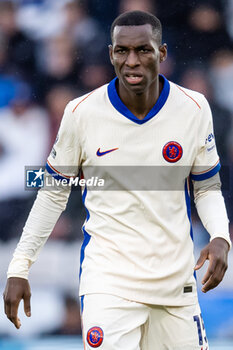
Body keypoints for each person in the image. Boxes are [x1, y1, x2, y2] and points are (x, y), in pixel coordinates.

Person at [3, 11, 231, 350]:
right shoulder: (81, 113)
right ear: (111, 54)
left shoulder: (193, 108)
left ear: (162, 53)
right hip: (107, 282)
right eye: (122, 51)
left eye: (144, 50)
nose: (132, 61)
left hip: (175, 282)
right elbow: (52, 194)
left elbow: (207, 186)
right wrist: (19, 268)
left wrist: (220, 236)